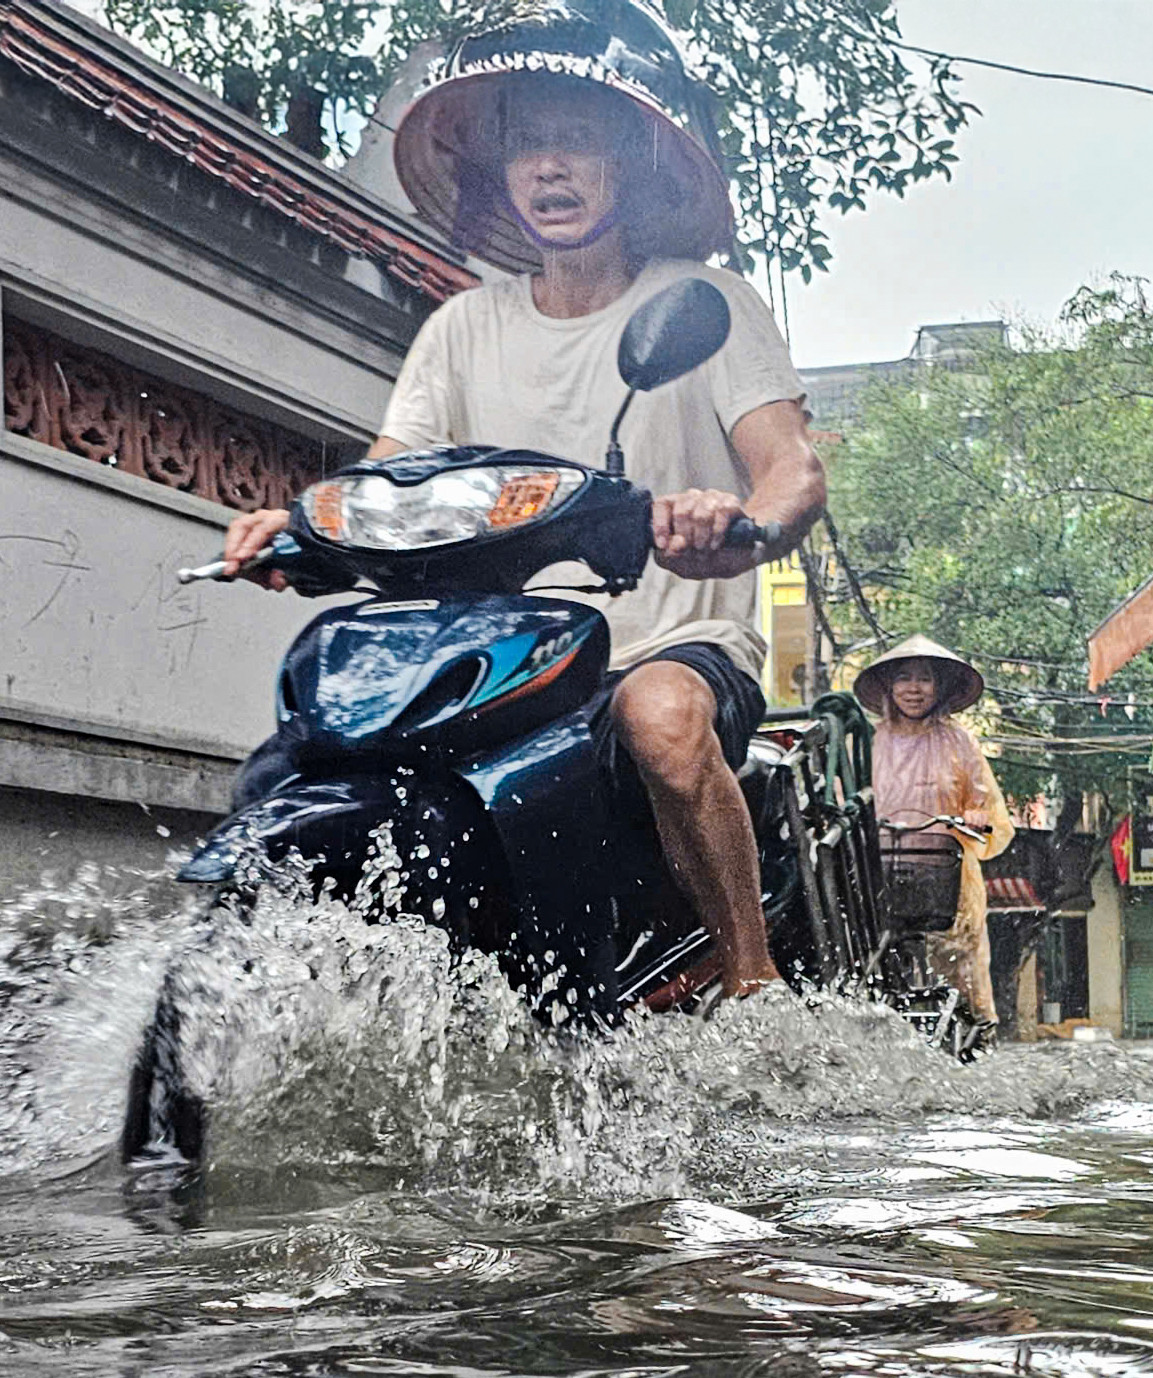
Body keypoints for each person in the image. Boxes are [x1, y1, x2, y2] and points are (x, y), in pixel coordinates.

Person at [217, 0, 825, 998]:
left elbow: (792, 467)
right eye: (526, 147)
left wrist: (739, 526)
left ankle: (752, 979)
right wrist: (297, 527)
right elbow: (382, 481)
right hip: (509, 652)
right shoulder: (461, 327)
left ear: (626, 164)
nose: (549, 168)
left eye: (577, 144)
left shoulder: (702, 303)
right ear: (500, 176)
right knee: (329, 739)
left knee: (661, 720)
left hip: (669, 637)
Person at [855, 636, 1014, 1025]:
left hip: (946, 876)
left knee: (961, 973)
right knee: (871, 964)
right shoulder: (867, 741)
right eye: (904, 678)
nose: (914, 689)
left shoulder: (958, 741)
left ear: (938, 687)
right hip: (882, 872)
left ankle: (972, 1035)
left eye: (924, 679)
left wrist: (977, 816)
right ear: (889, 687)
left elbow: (987, 803)